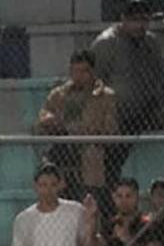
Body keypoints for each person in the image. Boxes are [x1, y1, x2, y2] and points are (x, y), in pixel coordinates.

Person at [90, 0, 164, 182]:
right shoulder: (106, 43)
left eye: (144, 20)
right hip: (117, 116)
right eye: (135, 20)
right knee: (111, 164)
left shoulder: (152, 43)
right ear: (123, 18)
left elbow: (160, 77)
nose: (140, 25)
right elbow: (92, 82)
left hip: (148, 110)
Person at [36, 49, 118, 201]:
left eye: (84, 71)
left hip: (89, 158)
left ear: (93, 71)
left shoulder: (105, 96)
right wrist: (50, 120)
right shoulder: (59, 94)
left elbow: (111, 130)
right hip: (61, 156)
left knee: (88, 204)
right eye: (75, 71)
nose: (78, 76)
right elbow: (42, 119)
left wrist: (85, 131)